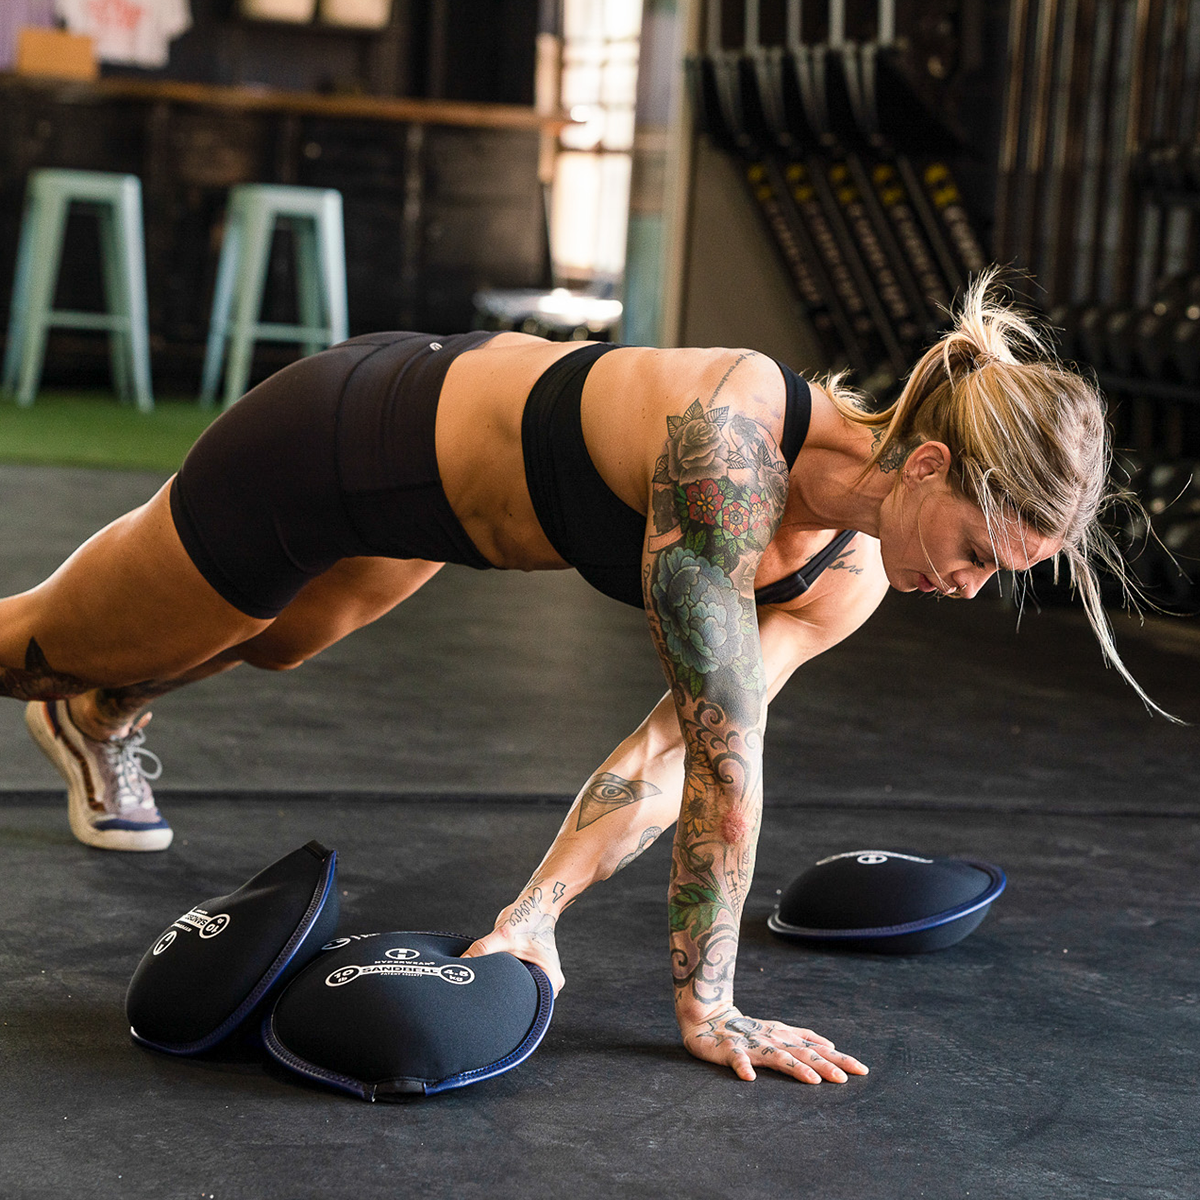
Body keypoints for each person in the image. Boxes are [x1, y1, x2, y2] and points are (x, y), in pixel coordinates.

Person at [0, 271, 1148, 1085]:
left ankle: (104, 712)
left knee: (272, 641)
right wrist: (710, 1006)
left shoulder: (846, 578)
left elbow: (659, 754)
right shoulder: (730, 443)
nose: (965, 586)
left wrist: (534, 913)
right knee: (41, 648)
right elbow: (723, 763)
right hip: (336, 441)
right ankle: (92, 686)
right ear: (931, 465)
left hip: (431, 527)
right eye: (976, 553)